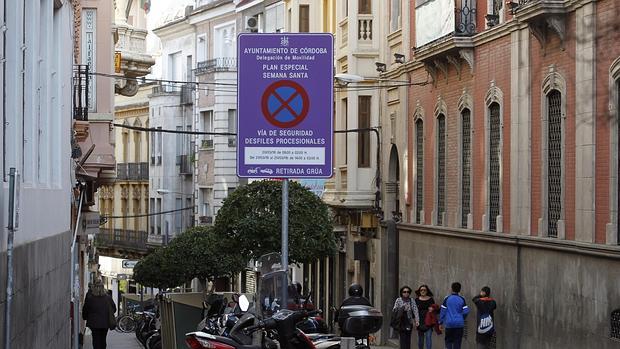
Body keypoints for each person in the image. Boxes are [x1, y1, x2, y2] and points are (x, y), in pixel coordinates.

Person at [82, 279, 116, 349]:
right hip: (105, 323)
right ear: (103, 287)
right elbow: (114, 309)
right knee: (103, 340)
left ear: (94, 287)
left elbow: (85, 309)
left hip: (94, 324)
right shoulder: (108, 297)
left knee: (96, 340)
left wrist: (85, 317)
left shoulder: (90, 297)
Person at [439, 282, 469, 349]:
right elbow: (466, 311)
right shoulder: (462, 299)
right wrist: (461, 317)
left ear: (451, 289)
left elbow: (442, 311)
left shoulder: (447, 298)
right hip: (459, 324)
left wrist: (440, 323)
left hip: (449, 324)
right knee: (457, 342)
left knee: (448, 341)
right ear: (459, 290)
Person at [414, 285, 435, 349]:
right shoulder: (416, 300)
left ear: (427, 291)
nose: (423, 291)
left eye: (424, 290)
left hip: (429, 321)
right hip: (420, 321)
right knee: (421, 339)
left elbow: (435, 310)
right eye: (421, 290)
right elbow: (414, 311)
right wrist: (416, 321)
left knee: (428, 338)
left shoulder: (431, 299)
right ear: (419, 291)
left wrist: (433, 309)